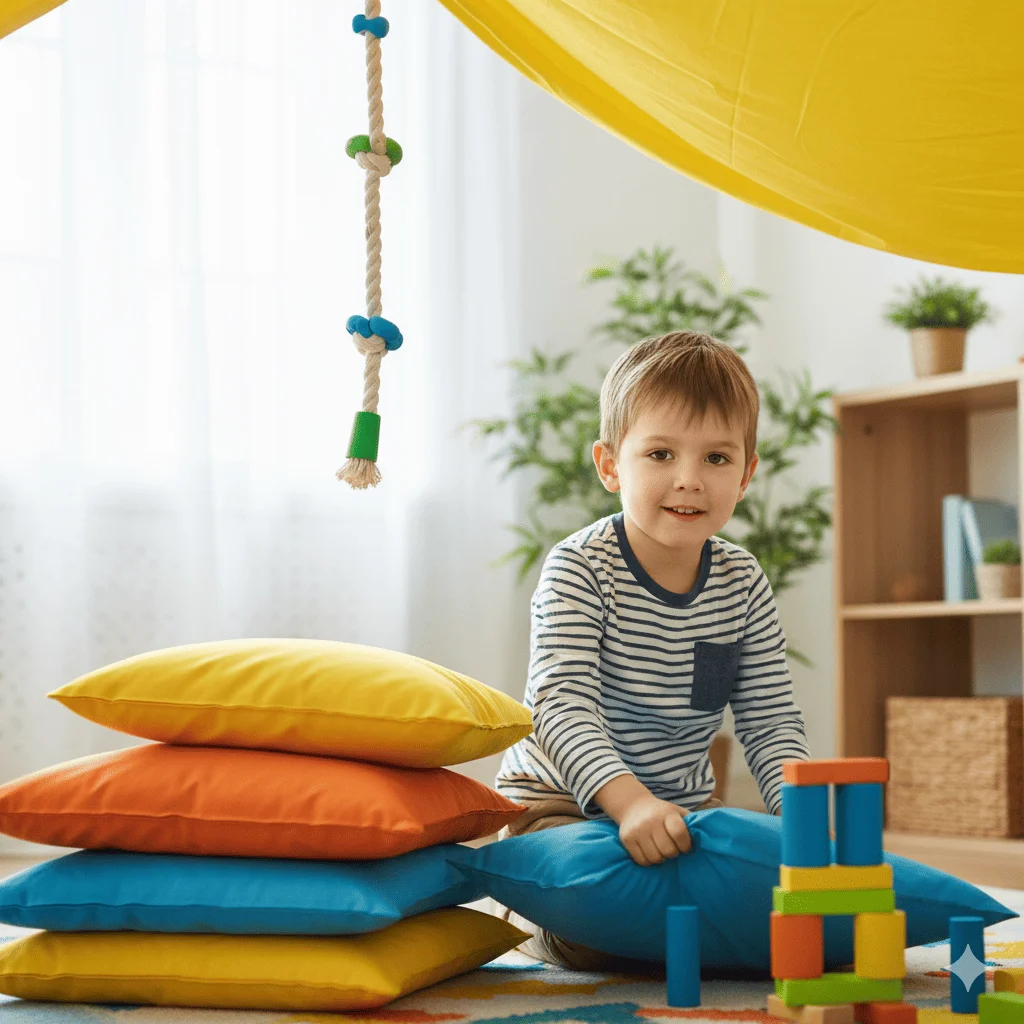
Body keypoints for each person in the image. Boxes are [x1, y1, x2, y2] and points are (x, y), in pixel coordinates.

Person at [494, 330, 810, 970]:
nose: (689, 481)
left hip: (683, 815)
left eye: (717, 459)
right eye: (661, 454)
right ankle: (531, 919)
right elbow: (560, 708)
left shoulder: (743, 581)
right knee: (596, 902)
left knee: (780, 889)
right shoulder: (579, 568)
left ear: (746, 474)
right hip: (562, 809)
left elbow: (771, 721)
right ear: (611, 465)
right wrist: (628, 802)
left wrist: (803, 827)